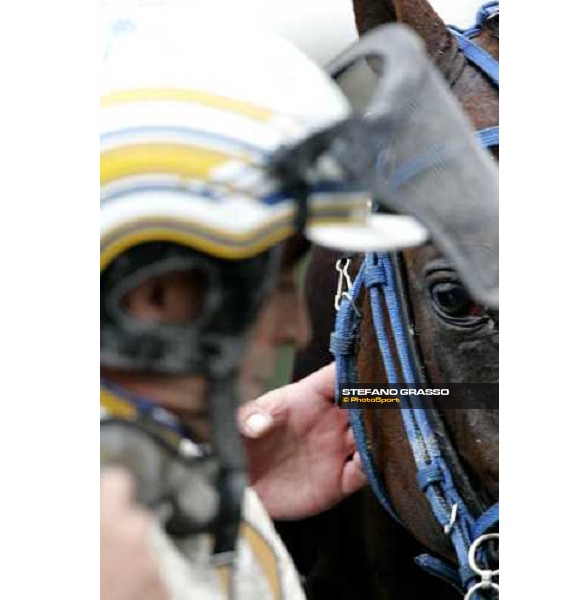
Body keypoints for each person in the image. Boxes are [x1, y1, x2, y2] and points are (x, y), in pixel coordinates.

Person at [100, 8, 419, 600]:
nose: (298, 330)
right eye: (275, 286)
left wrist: (240, 498)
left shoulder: (148, 483)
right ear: (155, 295)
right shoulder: (110, 547)